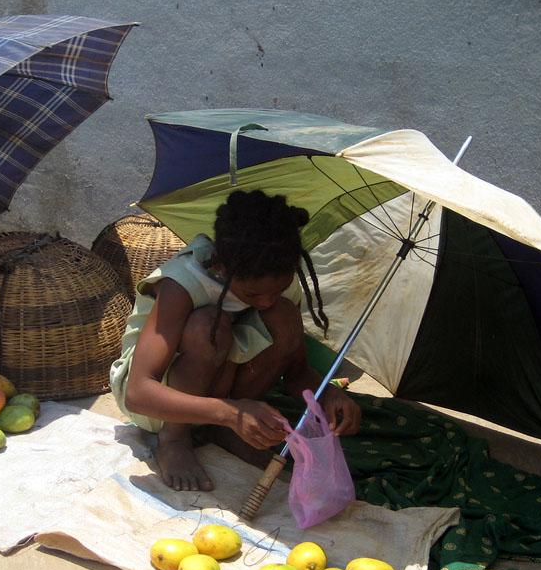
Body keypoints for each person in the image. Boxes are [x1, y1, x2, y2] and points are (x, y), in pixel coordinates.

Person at [109, 189, 361, 492]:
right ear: (221, 267)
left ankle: (221, 431)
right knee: (208, 325)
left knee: (283, 315)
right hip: (159, 402)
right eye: (253, 294)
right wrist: (231, 412)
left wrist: (325, 396)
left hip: (221, 389)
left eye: (277, 289)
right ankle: (175, 439)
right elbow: (139, 393)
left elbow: (296, 372)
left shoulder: (279, 283)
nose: (266, 301)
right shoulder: (182, 283)